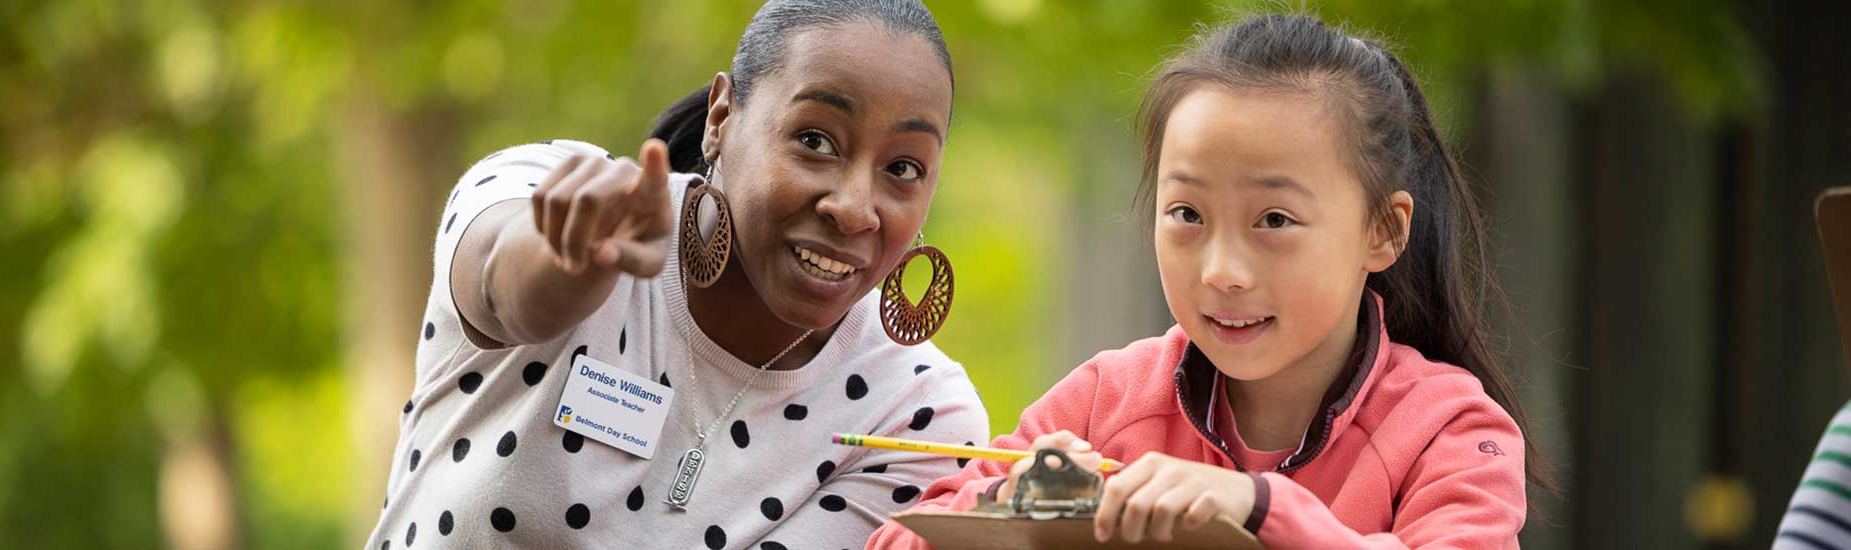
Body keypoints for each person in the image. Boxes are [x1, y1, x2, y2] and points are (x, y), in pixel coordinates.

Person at [869, 14, 1552, 549]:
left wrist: (1258, 511)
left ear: (1383, 230)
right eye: (1187, 213)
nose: (1222, 270)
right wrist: (1009, 508)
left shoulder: (1449, 431)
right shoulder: (1104, 404)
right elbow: (898, 539)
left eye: (1275, 219)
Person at [367, 1, 987, 547]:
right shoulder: (554, 192)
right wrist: (565, 272)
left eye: (903, 168)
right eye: (816, 140)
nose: (853, 208)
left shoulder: (917, 418)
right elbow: (504, 287)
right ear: (722, 117)